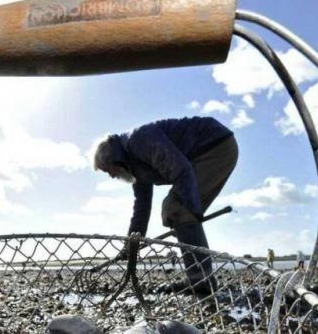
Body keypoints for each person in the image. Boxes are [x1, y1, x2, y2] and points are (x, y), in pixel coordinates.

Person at [92, 116, 238, 294]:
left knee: (176, 209)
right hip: (208, 152)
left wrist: (191, 211)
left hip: (214, 145)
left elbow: (180, 170)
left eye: (109, 171)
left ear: (113, 158)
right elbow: (142, 208)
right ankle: (201, 279)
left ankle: (201, 282)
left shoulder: (139, 140)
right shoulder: (135, 168)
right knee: (179, 212)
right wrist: (131, 246)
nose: (112, 176)